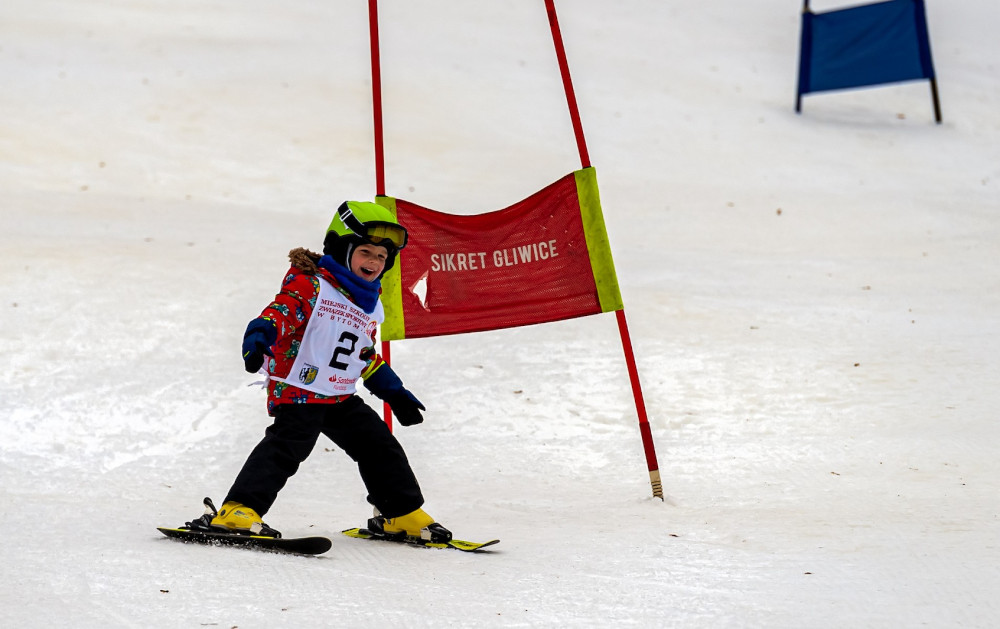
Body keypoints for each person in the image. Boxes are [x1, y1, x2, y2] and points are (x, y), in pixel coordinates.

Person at [206, 200, 451, 543]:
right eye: (366, 252)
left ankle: (399, 512)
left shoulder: (366, 304)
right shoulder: (313, 286)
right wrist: (260, 334)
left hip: (338, 395)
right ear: (342, 248)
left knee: (378, 445)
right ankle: (238, 510)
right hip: (299, 390)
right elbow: (280, 312)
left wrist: (394, 392)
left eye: (382, 257)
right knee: (287, 447)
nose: (374, 262)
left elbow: (363, 354)